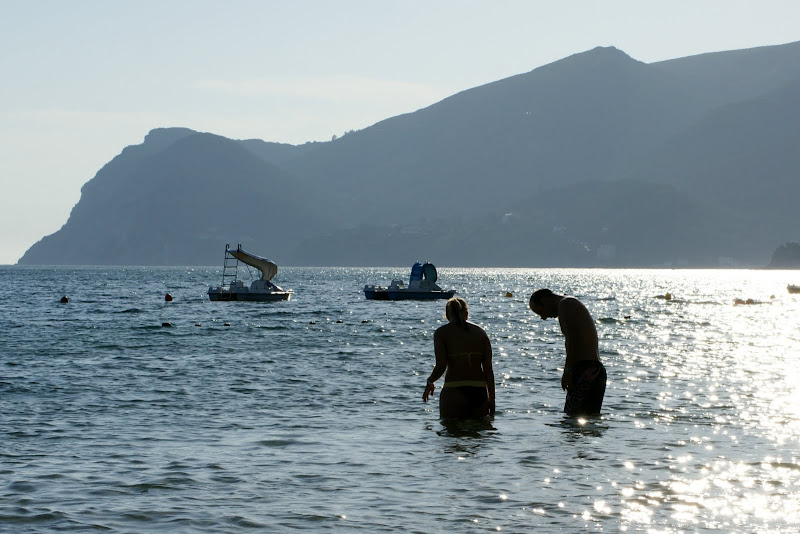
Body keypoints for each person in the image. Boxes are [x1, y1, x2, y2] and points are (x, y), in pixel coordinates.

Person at [529, 288, 606, 416]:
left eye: (541, 311)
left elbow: (571, 339)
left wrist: (568, 370)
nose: (543, 317)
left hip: (587, 371)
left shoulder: (565, 304)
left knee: (573, 420)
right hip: (593, 370)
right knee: (588, 421)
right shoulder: (570, 302)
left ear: (545, 300)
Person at [422, 297, 495, 418]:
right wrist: (492, 399)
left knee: (451, 431)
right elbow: (488, 370)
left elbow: (441, 366)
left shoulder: (441, 333)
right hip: (478, 391)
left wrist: (430, 381)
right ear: (466, 313)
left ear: (446, 314)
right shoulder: (481, 333)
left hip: (453, 390)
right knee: (478, 432)